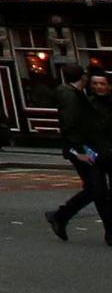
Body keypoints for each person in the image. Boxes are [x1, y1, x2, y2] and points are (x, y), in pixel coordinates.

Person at [52, 62, 112, 241]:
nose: (99, 87)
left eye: (102, 84)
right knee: (98, 192)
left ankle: (61, 216)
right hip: (94, 153)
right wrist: (78, 150)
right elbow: (74, 127)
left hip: (107, 151)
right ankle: (110, 232)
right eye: (95, 84)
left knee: (100, 192)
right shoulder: (83, 102)